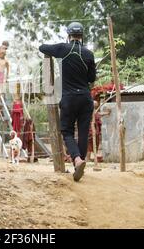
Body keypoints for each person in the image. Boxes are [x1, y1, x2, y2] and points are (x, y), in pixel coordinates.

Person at [39, 22, 96, 182]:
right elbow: (92, 78)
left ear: (69, 35)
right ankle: (80, 162)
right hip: (85, 98)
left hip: (69, 98)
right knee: (83, 131)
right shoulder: (89, 54)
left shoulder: (63, 49)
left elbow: (42, 48)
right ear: (82, 36)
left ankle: (77, 160)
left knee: (67, 131)